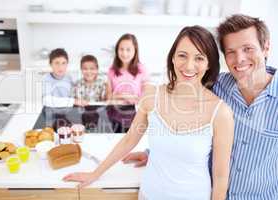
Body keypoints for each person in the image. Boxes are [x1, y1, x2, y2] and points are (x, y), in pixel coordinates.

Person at [63, 26, 234, 200]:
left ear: (209, 63)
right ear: (173, 58)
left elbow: (220, 178)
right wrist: (95, 173)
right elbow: (130, 139)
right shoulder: (152, 95)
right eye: (182, 55)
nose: (189, 65)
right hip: (149, 195)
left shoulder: (220, 113)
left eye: (199, 58)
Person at [123, 14, 278, 200]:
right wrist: (155, 151)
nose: (240, 59)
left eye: (248, 49)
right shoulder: (216, 85)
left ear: (266, 47)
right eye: (231, 52)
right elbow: (185, 118)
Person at [106, 33, 149, 104]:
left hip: (136, 111)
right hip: (116, 111)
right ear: (117, 50)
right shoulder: (112, 70)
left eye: (128, 50)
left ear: (135, 51)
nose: (124, 53)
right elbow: (108, 97)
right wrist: (125, 96)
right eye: (121, 49)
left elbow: (146, 97)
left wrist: (118, 96)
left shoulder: (142, 70)